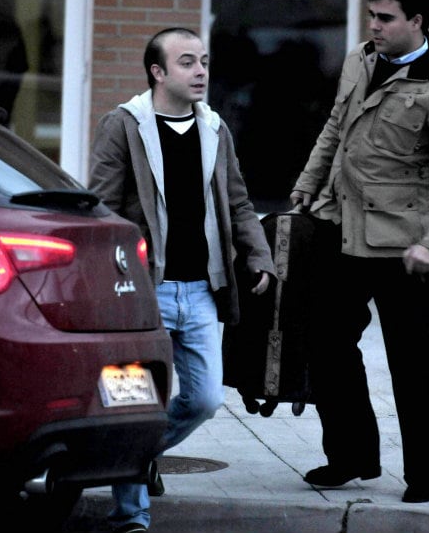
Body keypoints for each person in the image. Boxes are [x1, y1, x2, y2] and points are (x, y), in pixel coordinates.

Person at [290, 0, 429, 504]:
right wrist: (308, 185)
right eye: (371, 15)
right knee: (326, 345)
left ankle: (427, 474)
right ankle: (352, 456)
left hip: (402, 249)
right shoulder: (360, 59)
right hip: (339, 228)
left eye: (385, 18)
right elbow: (336, 125)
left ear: (417, 22)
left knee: (411, 360)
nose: (373, 26)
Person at [88, 27, 275, 532]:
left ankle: (131, 456)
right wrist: (113, 277)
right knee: (137, 404)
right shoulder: (123, 126)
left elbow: (237, 202)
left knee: (205, 400)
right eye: (188, 62)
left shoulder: (214, 128)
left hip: (201, 293)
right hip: (143, 293)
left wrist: (258, 256)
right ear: (158, 72)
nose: (201, 73)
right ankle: (131, 513)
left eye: (205, 62)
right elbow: (102, 207)